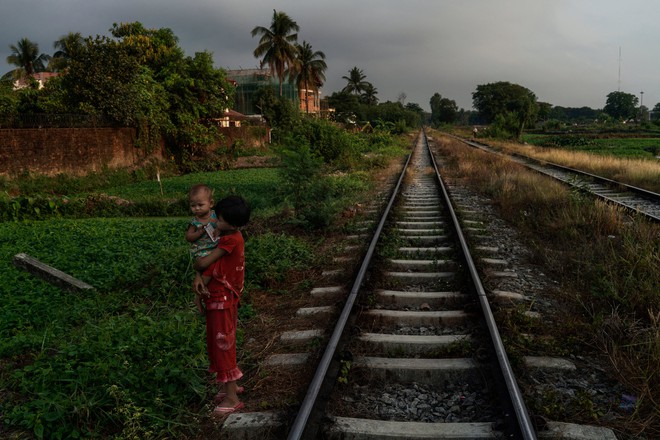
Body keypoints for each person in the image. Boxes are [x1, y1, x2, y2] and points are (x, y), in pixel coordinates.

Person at [193, 195, 250, 417]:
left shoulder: (229, 240)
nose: (215, 221)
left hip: (222, 300)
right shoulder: (230, 236)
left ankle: (232, 398)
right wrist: (200, 283)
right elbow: (214, 266)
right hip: (220, 298)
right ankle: (231, 387)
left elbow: (204, 262)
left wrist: (197, 267)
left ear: (233, 224)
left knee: (222, 344)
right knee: (222, 342)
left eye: (220, 219)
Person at [185, 184, 217, 314]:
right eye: (193, 206)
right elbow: (188, 237)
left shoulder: (216, 216)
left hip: (215, 246)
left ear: (211, 203)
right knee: (208, 266)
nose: (196, 208)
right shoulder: (195, 222)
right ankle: (199, 295)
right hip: (202, 250)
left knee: (213, 265)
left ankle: (201, 294)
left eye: (200, 205)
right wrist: (198, 233)